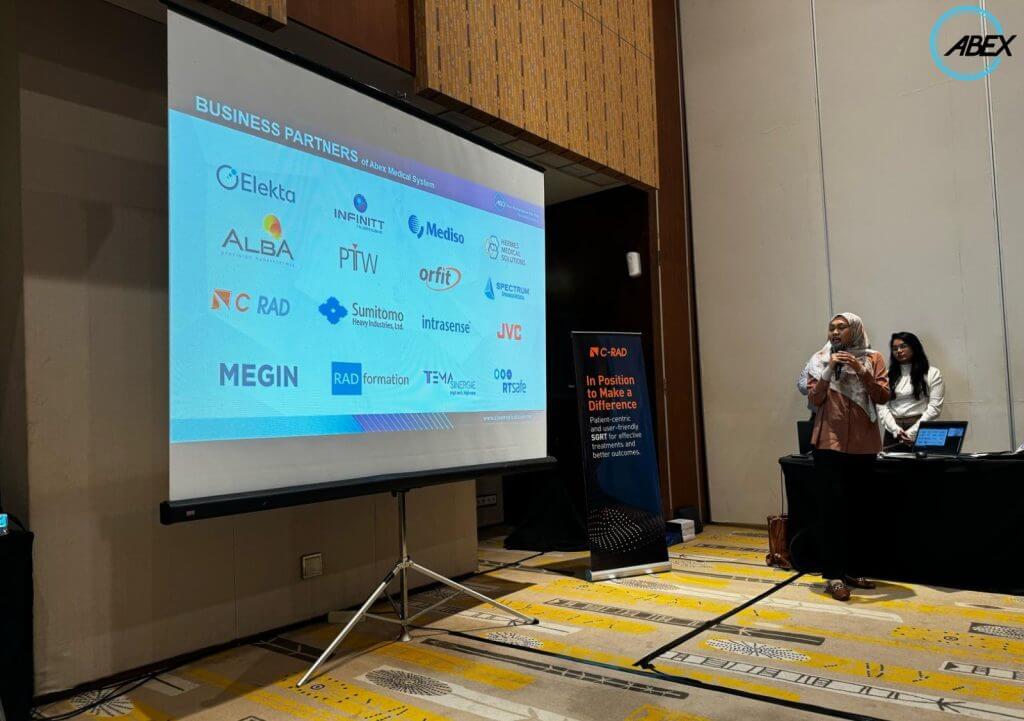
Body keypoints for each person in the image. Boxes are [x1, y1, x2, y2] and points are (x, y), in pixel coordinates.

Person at [806, 313, 890, 601]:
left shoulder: (873, 358)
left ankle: (852, 570)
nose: (835, 331)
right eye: (832, 327)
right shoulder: (819, 359)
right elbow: (814, 399)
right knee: (831, 512)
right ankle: (833, 576)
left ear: (854, 330)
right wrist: (830, 369)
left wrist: (860, 369)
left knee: (858, 510)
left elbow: (882, 396)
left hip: (863, 443)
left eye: (842, 327)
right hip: (829, 442)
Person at [876, 332, 944, 449]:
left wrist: (912, 432)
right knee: (890, 461)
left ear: (914, 347)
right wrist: (895, 430)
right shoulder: (886, 375)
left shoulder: (932, 373)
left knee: (923, 461)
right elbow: (881, 405)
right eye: (895, 348)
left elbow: (935, 408)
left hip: (921, 427)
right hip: (893, 430)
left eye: (903, 346)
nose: (899, 351)